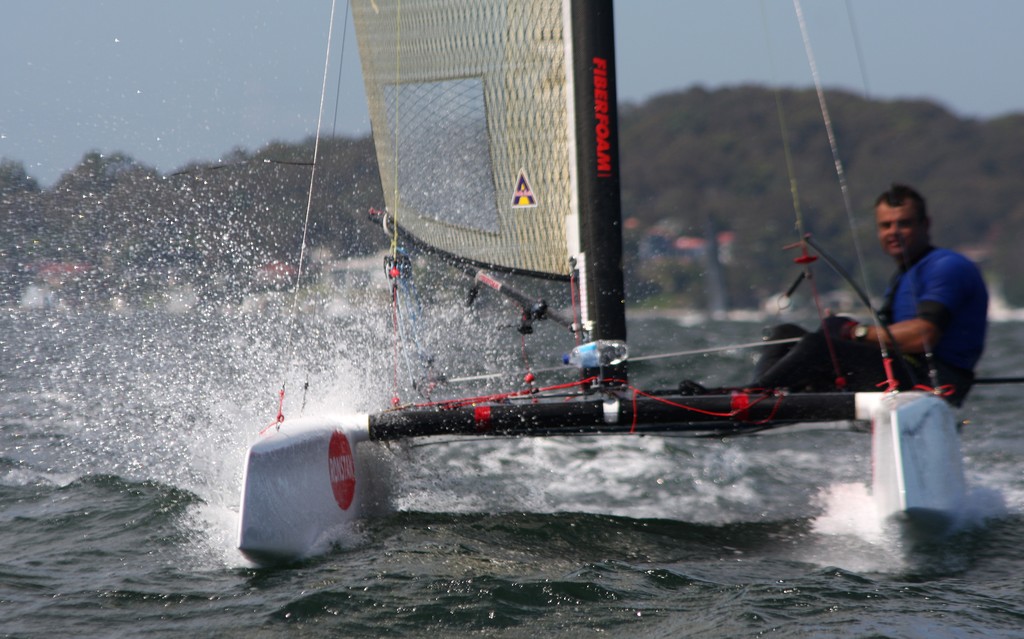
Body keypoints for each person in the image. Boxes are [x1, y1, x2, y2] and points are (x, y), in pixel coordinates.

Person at [750, 183, 988, 406]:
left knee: (818, 347)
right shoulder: (906, 273)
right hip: (902, 369)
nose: (893, 232)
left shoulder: (946, 267)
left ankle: (753, 402)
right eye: (886, 225)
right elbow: (891, 335)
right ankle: (759, 396)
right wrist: (844, 331)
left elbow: (923, 337)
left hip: (935, 381)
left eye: (903, 223)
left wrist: (854, 332)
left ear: (925, 224)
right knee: (786, 334)